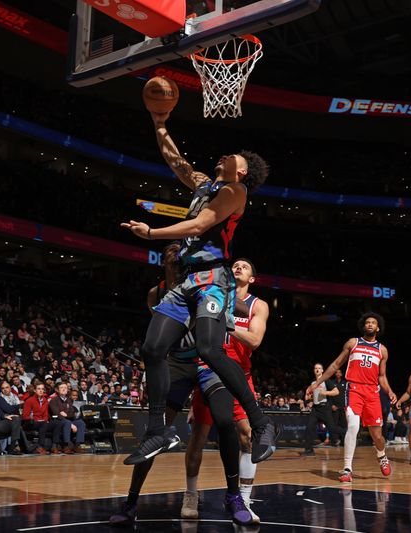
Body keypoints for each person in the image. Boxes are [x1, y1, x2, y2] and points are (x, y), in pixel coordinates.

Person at [120, 110, 274, 465]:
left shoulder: (236, 191)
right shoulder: (206, 185)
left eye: (232, 155)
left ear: (243, 170)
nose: (223, 155)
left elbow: (199, 224)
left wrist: (151, 233)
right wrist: (160, 124)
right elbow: (177, 162)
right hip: (189, 280)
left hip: (213, 279)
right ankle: (158, 430)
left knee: (209, 348)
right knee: (152, 347)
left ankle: (262, 423)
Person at [110, 243, 252, 527]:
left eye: (180, 251)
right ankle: (131, 502)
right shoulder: (157, 293)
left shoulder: (210, 283)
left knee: (225, 424)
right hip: (177, 364)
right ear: (163, 261)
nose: (176, 256)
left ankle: (234, 496)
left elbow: (238, 307)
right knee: (152, 435)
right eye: (171, 253)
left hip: (207, 363)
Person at [181, 258, 269, 523]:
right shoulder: (212, 295)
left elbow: (254, 340)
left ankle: (244, 498)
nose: (238, 267)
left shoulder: (258, 305)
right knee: (198, 436)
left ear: (252, 278)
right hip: (208, 372)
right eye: (235, 265)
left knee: (247, 437)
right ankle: (191, 495)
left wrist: (227, 322)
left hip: (239, 374)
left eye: (245, 266)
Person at [306, 312, 397, 482]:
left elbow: (382, 376)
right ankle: (347, 469)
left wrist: (390, 391)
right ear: (363, 326)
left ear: (378, 328)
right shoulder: (353, 343)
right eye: (367, 322)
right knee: (353, 426)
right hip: (353, 389)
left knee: (377, 435)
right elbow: (335, 365)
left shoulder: (382, 350)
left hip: (372, 392)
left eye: (373, 323)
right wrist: (317, 383)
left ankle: (381, 455)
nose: (370, 324)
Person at [302, 363, 344, 456]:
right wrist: (308, 396)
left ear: (322, 370)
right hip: (315, 409)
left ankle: (347, 432)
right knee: (309, 427)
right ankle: (309, 450)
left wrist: (325, 392)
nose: (317, 370)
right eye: (315, 368)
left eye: (319, 368)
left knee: (332, 428)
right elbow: (308, 394)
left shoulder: (327, 381)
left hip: (324, 408)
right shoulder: (313, 382)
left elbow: (336, 392)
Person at [48, 381, 86, 454]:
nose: (64, 389)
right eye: (61, 388)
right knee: (67, 422)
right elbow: (56, 414)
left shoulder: (69, 400)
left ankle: (77, 445)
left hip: (68, 420)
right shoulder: (53, 400)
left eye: (65, 388)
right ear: (57, 390)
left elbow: (72, 413)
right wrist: (63, 414)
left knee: (80, 423)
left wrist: (64, 413)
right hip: (57, 421)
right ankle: (66, 446)